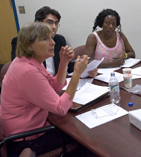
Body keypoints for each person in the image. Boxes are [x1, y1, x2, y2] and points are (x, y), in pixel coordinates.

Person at [1, 22, 88, 156]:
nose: (53, 42)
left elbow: (54, 87)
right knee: (83, 135)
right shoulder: (27, 71)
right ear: (28, 45)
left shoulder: (29, 61)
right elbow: (60, 108)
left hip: (24, 130)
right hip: (26, 138)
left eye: (51, 37)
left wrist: (63, 62)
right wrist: (76, 74)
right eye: (45, 39)